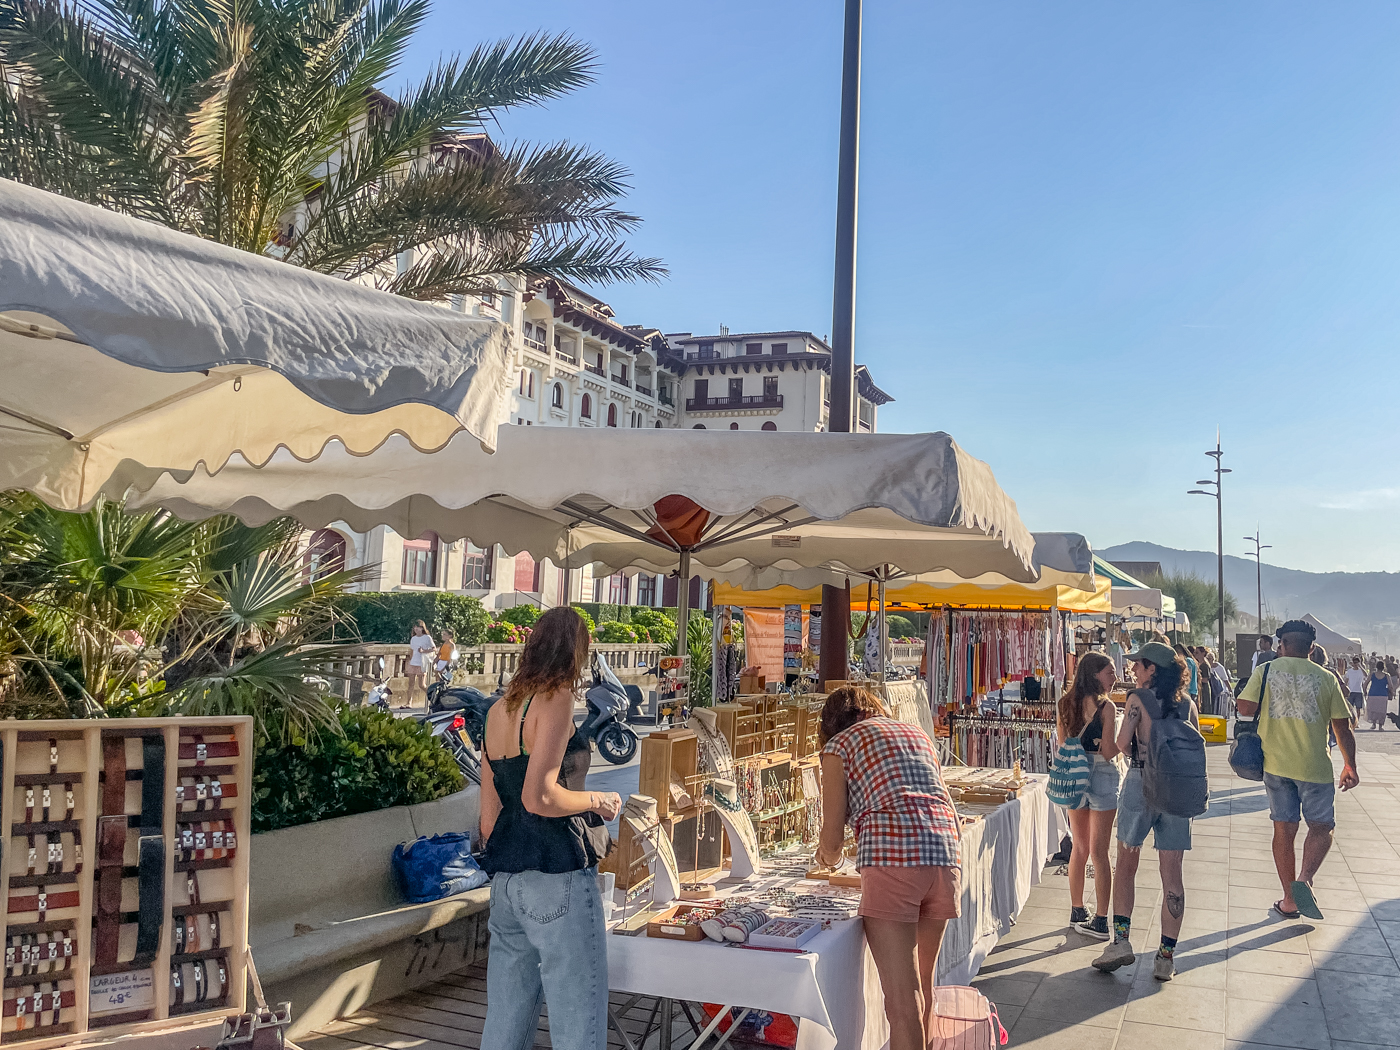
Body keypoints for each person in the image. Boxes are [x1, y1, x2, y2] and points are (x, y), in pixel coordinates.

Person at [479, 607, 621, 1050]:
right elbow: (538, 796)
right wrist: (599, 800)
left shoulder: (499, 709)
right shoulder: (556, 698)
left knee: (505, 1018)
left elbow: (489, 817)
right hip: (556, 872)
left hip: (506, 879)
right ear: (576, 652)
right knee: (577, 1017)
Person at [814, 687, 960, 1050]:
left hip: (893, 858)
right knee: (922, 988)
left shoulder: (838, 746)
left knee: (901, 1001)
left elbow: (832, 839)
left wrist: (826, 860)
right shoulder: (915, 733)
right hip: (944, 852)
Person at [1237, 620, 1357, 921]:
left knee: (1283, 829)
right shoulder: (1326, 677)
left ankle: (1290, 900)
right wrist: (1349, 765)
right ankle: (1304, 879)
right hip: (1315, 766)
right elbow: (1342, 728)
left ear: (1281, 645)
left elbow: (1244, 709)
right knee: (1321, 827)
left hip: (1276, 765)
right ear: (1312, 648)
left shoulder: (1265, 671)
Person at [1093, 642, 1198, 981]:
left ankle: (1120, 943)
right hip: (1178, 789)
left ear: (1153, 669)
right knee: (1173, 873)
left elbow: (1122, 744)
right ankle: (1166, 957)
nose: (1134, 669)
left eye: (1139, 664)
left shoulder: (1138, 700)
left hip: (1140, 782)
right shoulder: (1190, 706)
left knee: (1126, 863)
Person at [1055, 653, 1123, 940]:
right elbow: (1108, 751)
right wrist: (1125, 741)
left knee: (1080, 848)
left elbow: (1061, 744)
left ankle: (1077, 909)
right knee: (1100, 853)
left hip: (1073, 774)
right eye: (1110, 672)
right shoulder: (1106, 708)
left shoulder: (1064, 704)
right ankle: (1101, 919)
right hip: (1101, 775)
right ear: (1095, 674)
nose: (1115, 676)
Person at [405, 620, 435, 704]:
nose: (416, 629)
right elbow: (411, 650)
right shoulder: (413, 639)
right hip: (413, 662)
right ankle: (409, 702)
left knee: (421, 685)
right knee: (410, 684)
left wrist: (424, 651)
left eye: (418, 627)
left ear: (422, 628)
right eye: (415, 627)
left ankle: (432, 696)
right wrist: (410, 660)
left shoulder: (427, 638)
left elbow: (434, 648)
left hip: (422, 663)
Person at [1365, 659, 1392, 730]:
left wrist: (1364, 691)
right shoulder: (1387, 675)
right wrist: (1391, 692)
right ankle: (1380, 726)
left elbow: (1365, 683)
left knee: (1373, 710)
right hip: (1383, 695)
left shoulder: (1372, 674)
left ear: (1376, 666)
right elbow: (1390, 686)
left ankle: (1373, 724)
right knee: (1382, 711)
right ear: (1384, 667)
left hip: (1373, 694)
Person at [1177, 644, 1200, 711]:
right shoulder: (1192, 660)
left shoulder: (1188, 661)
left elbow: (1187, 675)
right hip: (1193, 689)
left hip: (1189, 690)